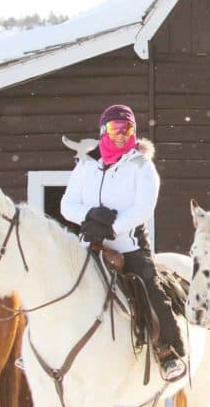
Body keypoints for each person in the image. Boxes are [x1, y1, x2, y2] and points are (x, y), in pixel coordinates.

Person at [61, 104, 186, 382]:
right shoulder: (86, 165)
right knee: (58, 283)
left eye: (127, 129)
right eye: (115, 128)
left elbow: (143, 208)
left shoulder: (141, 166)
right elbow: (67, 205)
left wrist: (109, 228)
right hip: (89, 244)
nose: (121, 134)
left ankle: (169, 351)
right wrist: (90, 217)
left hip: (129, 247)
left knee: (150, 288)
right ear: (103, 130)